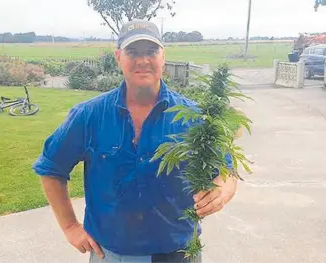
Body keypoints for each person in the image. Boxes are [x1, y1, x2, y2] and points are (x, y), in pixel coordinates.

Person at [33, 19, 238, 263]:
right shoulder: (89, 115)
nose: (143, 60)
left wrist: (223, 189)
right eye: (133, 52)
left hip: (178, 253)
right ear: (118, 56)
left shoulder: (193, 117)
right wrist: (69, 226)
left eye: (151, 51)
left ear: (163, 56)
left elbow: (226, 170)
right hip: (110, 255)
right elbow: (51, 168)